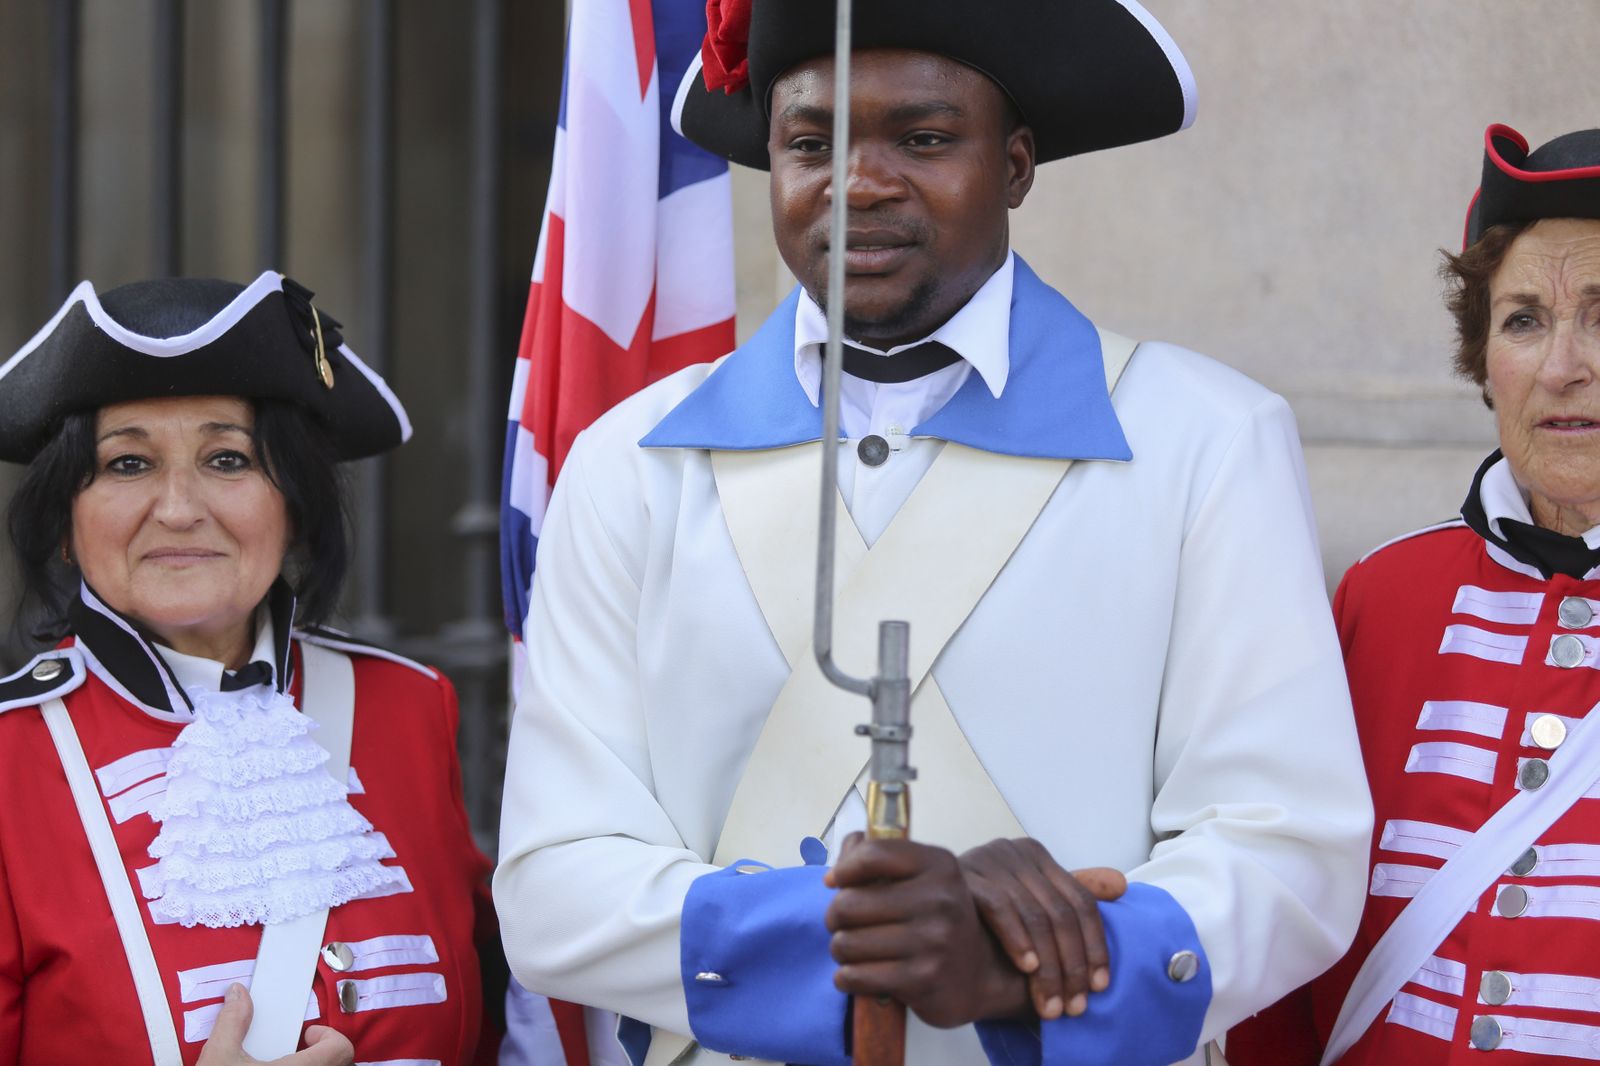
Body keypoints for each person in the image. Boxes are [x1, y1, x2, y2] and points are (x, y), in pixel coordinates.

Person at [494, 2, 1372, 1064]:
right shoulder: (633, 461)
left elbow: (1289, 855)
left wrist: (1013, 973)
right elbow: (553, 878)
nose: (857, 183)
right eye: (810, 143)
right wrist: (878, 944)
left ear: (1013, 165)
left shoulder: (1209, 440)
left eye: (922, 138)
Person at [0, 273, 503, 1064]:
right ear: (66, 522)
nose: (177, 508)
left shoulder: (409, 707)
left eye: (227, 459)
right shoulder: (12, 755)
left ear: (293, 505)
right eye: (128, 465)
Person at [1227, 126, 1600, 1064]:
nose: (1563, 367)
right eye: (1523, 320)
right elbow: (1291, 923)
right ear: (1484, 365)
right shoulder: (1386, 595)